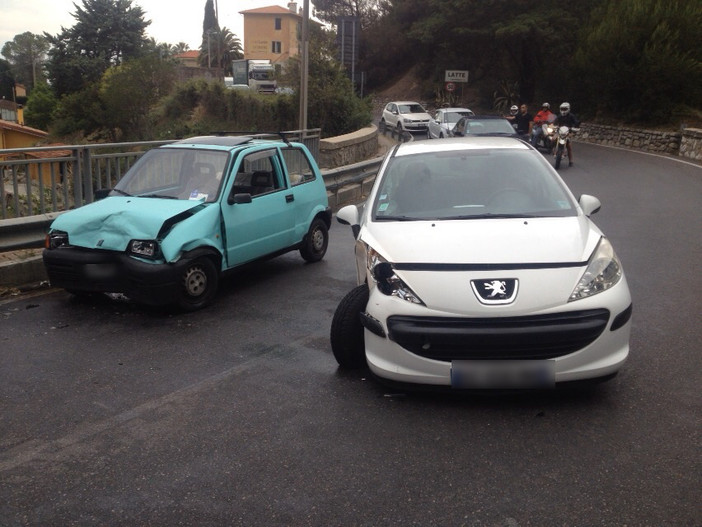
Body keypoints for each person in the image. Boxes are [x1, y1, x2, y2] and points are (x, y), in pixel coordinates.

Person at [553, 102, 580, 166]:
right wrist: (554, 125)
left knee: (569, 147)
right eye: (562, 109)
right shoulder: (559, 116)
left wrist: (575, 127)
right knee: (553, 139)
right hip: (560, 131)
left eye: (565, 109)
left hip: (568, 132)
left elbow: (576, 122)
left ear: (568, 109)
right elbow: (555, 122)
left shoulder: (571, 116)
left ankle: (571, 161)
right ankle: (553, 149)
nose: (563, 110)